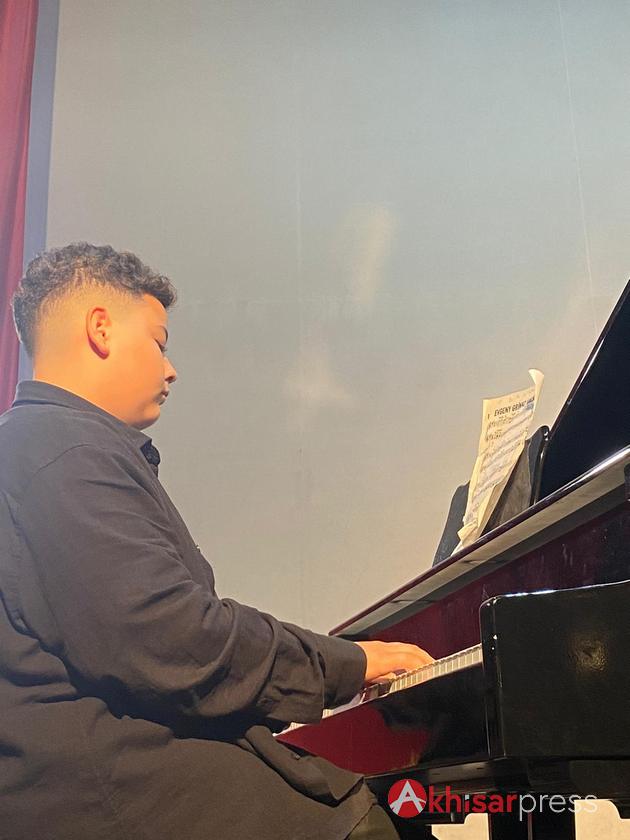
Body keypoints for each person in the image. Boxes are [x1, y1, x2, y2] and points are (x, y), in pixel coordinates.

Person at [0, 243, 432, 840]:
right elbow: (175, 640)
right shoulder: (61, 451)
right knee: (377, 826)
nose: (170, 368)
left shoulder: (37, 447)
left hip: (100, 782)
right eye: (159, 343)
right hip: (114, 792)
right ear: (100, 329)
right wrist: (349, 664)